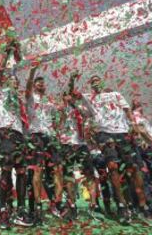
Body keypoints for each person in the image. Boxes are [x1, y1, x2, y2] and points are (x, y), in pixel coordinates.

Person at [82, 76, 148, 224]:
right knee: (112, 167)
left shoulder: (116, 94)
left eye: (97, 80)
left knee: (132, 168)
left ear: (103, 82)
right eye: (92, 81)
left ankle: (142, 204)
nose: (95, 82)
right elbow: (75, 97)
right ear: (91, 86)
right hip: (104, 133)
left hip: (123, 132)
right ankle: (121, 205)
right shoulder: (89, 99)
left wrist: (134, 125)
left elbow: (127, 109)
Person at [25, 64, 63, 225]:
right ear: (34, 85)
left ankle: (56, 204)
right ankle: (38, 206)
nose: (41, 84)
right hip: (36, 136)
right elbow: (27, 86)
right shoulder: (30, 97)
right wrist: (33, 70)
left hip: (51, 137)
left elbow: (59, 119)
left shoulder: (50, 101)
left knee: (57, 170)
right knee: (37, 170)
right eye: (37, 82)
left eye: (42, 82)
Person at [0, 67, 33, 229]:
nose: (15, 82)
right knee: (6, 168)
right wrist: (8, 53)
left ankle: (20, 209)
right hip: (6, 132)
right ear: (6, 82)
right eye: (12, 80)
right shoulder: (2, 93)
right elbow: (1, 71)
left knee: (21, 172)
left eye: (17, 81)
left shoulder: (20, 100)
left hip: (19, 134)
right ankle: (3, 210)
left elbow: (24, 119)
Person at [57, 90, 99, 221]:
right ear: (63, 97)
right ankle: (72, 205)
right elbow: (56, 125)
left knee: (89, 174)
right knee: (68, 176)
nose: (69, 97)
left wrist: (77, 102)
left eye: (71, 95)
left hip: (81, 144)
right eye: (66, 95)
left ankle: (93, 205)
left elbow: (92, 114)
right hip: (66, 144)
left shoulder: (79, 108)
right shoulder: (59, 108)